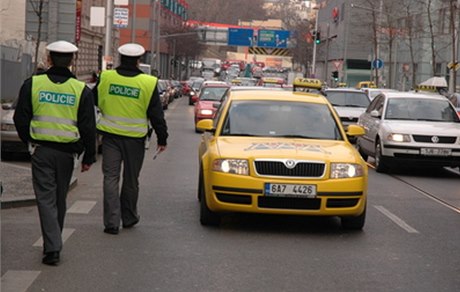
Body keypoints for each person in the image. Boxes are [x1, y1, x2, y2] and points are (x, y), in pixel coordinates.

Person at [13, 40, 96, 265]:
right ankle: (53, 245)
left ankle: (52, 246)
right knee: (58, 199)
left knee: (47, 199)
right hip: (67, 155)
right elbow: (88, 127)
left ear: (49, 59)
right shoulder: (81, 90)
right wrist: (89, 156)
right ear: (72, 61)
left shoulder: (33, 84)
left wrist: (28, 139)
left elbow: (19, 117)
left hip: (42, 151)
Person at [92, 43, 168, 235]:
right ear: (138, 60)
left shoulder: (106, 78)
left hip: (109, 138)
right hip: (135, 139)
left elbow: (92, 100)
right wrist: (162, 138)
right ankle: (129, 217)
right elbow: (156, 114)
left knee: (110, 178)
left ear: (119, 58)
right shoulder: (148, 83)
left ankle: (111, 222)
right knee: (131, 180)